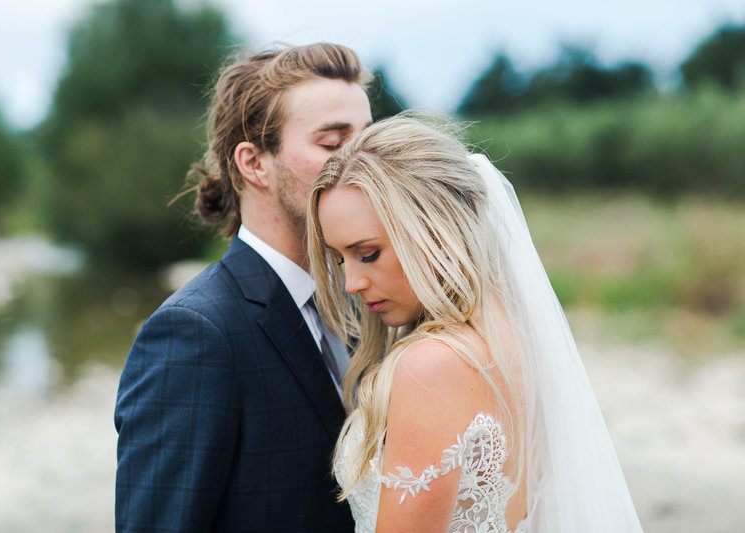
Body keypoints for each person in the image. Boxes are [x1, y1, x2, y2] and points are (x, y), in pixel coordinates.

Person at [307, 116, 644, 532]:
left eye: (369, 253)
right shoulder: (520, 337)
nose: (351, 283)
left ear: (436, 228)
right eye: (341, 258)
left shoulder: (431, 366)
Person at [114, 43, 372, 532]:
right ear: (254, 163)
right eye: (334, 143)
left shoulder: (365, 300)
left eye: (368, 140)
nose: (364, 164)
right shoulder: (194, 333)